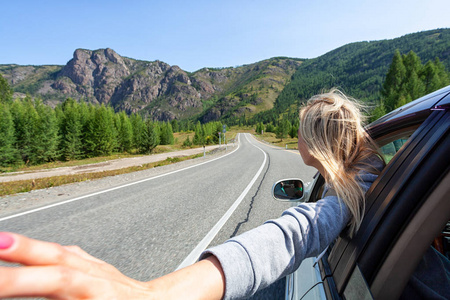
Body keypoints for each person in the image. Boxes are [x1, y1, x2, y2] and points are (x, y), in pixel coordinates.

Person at [0, 89, 385, 299]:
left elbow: (295, 232)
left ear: (315, 141)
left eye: (300, 129)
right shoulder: (367, 174)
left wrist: (155, 293)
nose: (297, 136)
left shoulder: (351, 191)